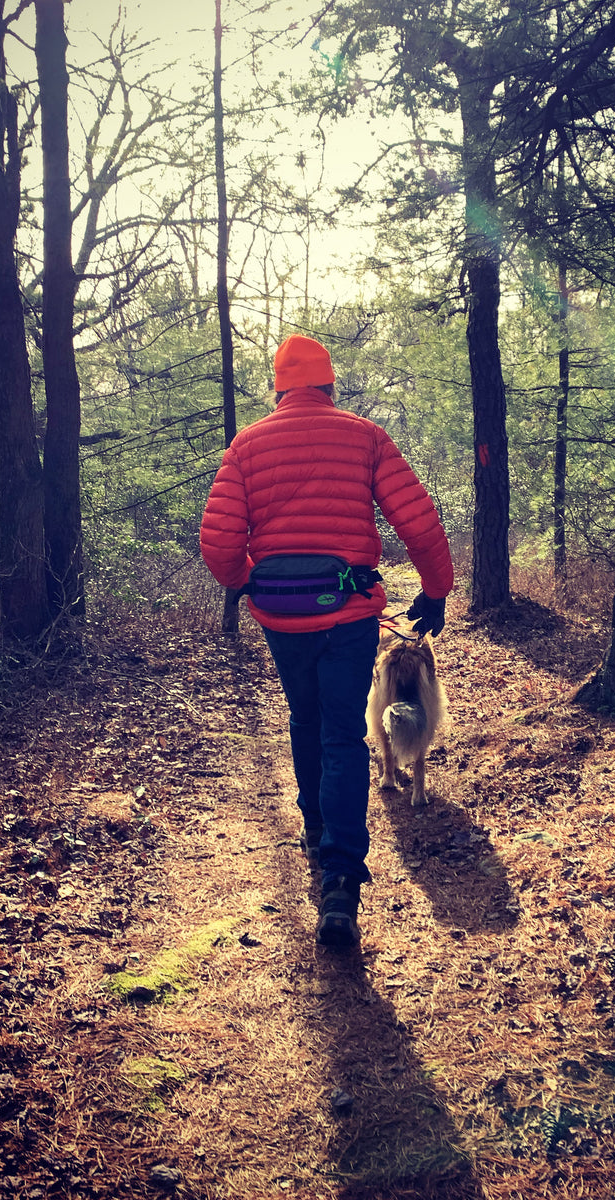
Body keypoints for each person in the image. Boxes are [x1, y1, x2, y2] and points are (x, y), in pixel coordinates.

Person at [199, 333, 453, 949]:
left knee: (304, 718)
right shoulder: (364, 436)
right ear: (330, 385)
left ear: (279, 390)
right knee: (342, 732)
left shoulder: (247, 445)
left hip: (282, 619)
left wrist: (245, 583)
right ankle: (341, 879)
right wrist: (436, 589)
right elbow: (416, 517)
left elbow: (219, 540)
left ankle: (315, 830)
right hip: (349, 616)